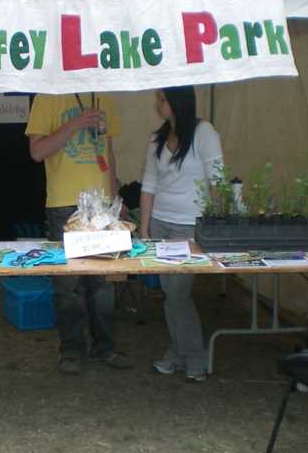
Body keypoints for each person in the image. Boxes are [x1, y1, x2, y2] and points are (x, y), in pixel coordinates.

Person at [26, 93, 133, 375]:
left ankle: (105, 348)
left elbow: (108, 151)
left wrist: (114, 197)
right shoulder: (46, 96)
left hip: (100, 205)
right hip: (63, 204)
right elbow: (37, 152)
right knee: (68, 285)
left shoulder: (103, 95)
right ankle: (71, 350)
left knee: (103, 283)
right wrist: (74, 124)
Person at [138, 86, 223, 382]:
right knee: (170, 294)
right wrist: (144, 227)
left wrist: (216, 223)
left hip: (190, 226)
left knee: (178, 294)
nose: (157, 104)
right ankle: (178, 353)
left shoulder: (204, 132)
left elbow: (218, 181)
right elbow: (148, 185)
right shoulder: (157, 137)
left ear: (176, 102)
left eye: (161, 99)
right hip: (161, 224)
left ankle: (193, 355)